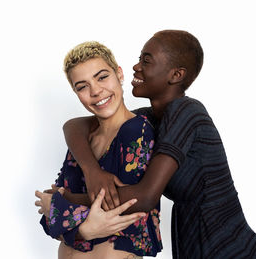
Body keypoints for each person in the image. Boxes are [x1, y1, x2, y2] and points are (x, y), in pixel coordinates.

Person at [63, 30, 256, 258]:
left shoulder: (188, 112)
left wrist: (67, 200)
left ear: (176, 75)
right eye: (139, 59)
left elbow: (145, 197)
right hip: (196, 246)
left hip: (236, 250)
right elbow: (74, 126)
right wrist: (92, 170)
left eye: (146, 61)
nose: (136, 67)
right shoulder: (150, 120)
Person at [34, 41, 162, 258]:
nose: (95, 91)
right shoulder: (83, 140)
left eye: (102, 77)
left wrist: (63, 208)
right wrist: (71, 217)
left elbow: (124, 212)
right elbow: (50, 220)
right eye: (82, 86)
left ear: (119, 74)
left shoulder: (137, 130)